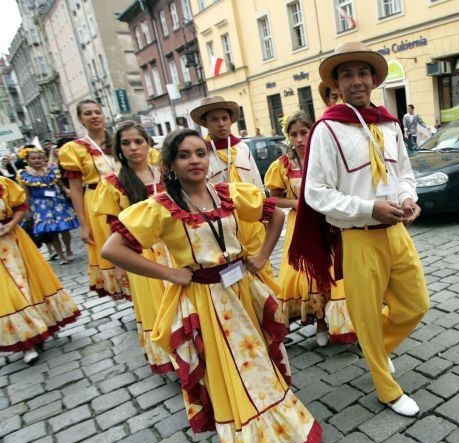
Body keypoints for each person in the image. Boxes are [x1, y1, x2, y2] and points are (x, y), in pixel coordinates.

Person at [101, 128, 321, 443]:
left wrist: (263, 255)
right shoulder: (160, 207)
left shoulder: (229, 193)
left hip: (241, 289)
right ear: (170, 163)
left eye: (200, 153)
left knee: (261, 362)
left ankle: (288, 435)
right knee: (233, 374)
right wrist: (169, 272)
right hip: (206, 300)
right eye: (185, 155)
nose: (195, 161)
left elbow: (276, 215)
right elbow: (113, 249)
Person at [289, 41, 429, 417]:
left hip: (396, 232)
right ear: (336, 84)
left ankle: (377, 351)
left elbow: (403, 173)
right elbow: (316, 193)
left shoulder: (389, 122)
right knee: (365, 315)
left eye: (362, 73)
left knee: (416, 304)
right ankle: (386, 389)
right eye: (347, 74)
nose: (356, 80)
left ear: (373, 79)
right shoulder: (328, 130)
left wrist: (408, 197)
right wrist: (369, 207)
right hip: (358, 236)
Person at [266, 110, 356, 347]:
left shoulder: (326, 156)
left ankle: (348, 322)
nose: (299, 139)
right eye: (293, 134)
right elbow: (274, 198)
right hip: (302, 223)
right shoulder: (282, 165)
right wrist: (296, 203)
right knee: (308, 277)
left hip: (329, 221)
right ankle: (320, 323)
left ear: (313, 131)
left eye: (304, 132)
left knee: (336, 272)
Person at [93, 121, 174, 374]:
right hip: (142, 253)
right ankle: (169, 356)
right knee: (155, 304)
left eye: (138, 141)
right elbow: (114, 228)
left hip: (173, 246)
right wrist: (119, 267)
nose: (133, 147)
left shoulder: (165, 172)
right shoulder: (113, 183)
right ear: (118, 149)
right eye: (126, 143)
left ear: (147, 143)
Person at [190, 96, 274, 278]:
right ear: (204, 122)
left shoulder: (242, 148)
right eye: (214, 119)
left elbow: (256, 184)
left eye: (224, 118)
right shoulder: (202, 153)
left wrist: (265, 217)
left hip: (251, 221)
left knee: (261, 271)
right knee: (232, 274)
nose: (221, 124)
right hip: (223, 224)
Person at [0, 175, 80, 364]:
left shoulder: (3, 183)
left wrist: (11, 224)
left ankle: (41, 325)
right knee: (8, 294)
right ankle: (27, 341)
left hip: (14, 242)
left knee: (30, 283)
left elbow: (20, 206)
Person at [59, 99, 128, 298]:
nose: (94, 116)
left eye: (97, 112)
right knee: (113, 246)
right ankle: (124, 289)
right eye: (88, 113)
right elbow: (76, 190)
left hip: (125, 198)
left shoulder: (119, 141)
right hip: (97, 204)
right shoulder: (75, 149)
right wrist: (83, 224)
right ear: (80, 119)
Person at [16, 147, 79, 264]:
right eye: (33, 158)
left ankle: (69, 250)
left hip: (57, 202)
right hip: (40, 206)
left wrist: (66, 190)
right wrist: (27, 209)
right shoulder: (24, 175)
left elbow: (59, 183)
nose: (37, 160)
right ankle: (61, 255)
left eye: (39, 158)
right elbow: (26, 194)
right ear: (28, 160)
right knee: (52, 231)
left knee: (65, 228)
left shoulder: (51, 170)